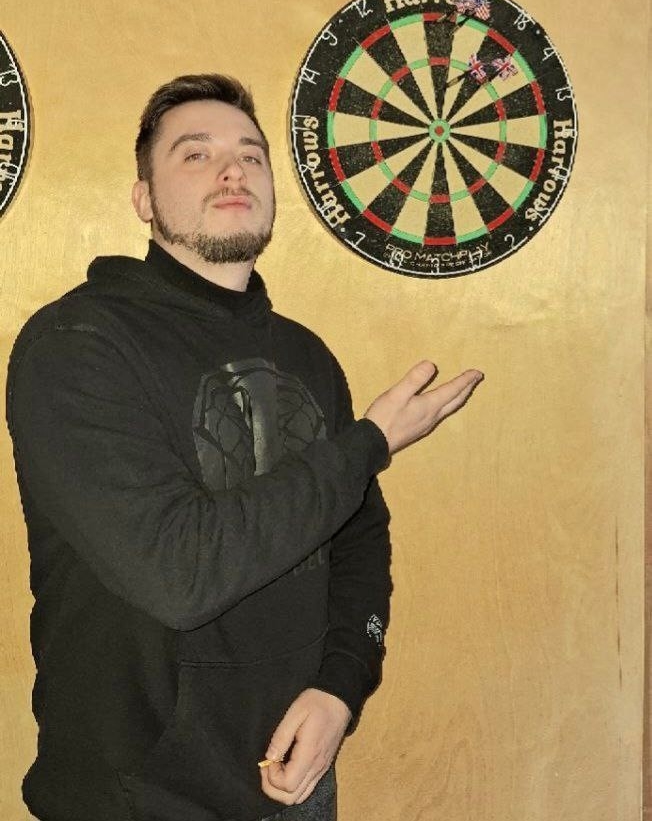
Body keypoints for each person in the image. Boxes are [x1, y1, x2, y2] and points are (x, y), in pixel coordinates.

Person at [6, 74, 483, 821]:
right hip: (134, 796)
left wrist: (339, 688)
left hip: (297, 780)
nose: (233, 170)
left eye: (251, 156)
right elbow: (179, 572)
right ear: (144, 200)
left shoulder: (306, 354)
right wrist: (370, 442)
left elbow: (358, 540)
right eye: (196, 154)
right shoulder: (78, 345)